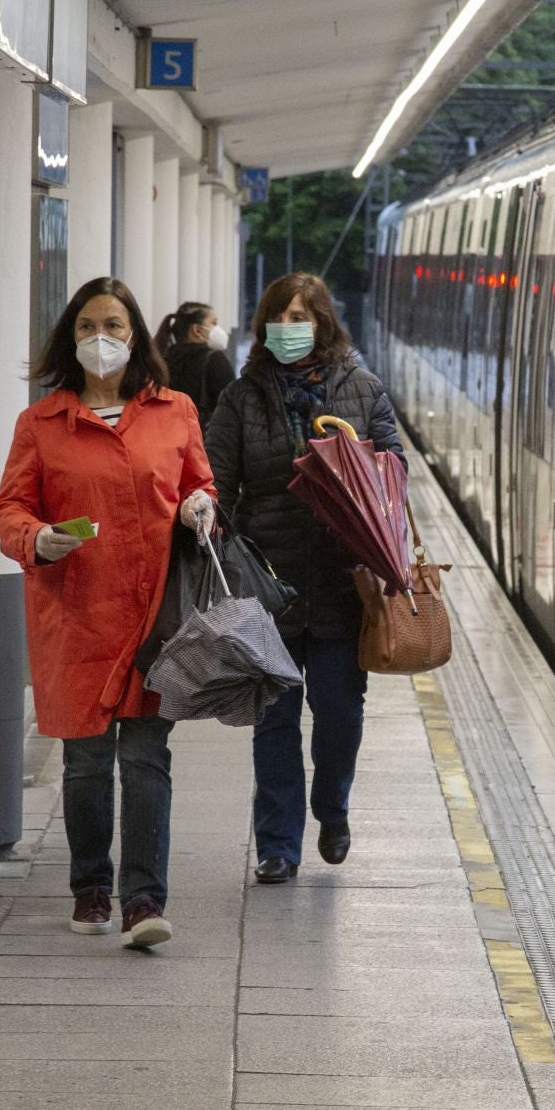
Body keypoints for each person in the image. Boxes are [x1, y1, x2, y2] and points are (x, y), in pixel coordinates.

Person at [0, 276, 217, 946]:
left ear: (136, 335)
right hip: (77, 616)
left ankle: (143, 902)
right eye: (88, 325)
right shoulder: (41, 423)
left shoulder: (174, 411)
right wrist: (36, 539)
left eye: (114, 325)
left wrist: (202, 509)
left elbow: (198, 484)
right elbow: (9, 507)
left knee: (148, 759)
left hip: (155, 619)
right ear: (71, 336)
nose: (102, 338)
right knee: (86, 763)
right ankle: (90, 886)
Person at [204, 272, 406, 884]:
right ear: (265, 325)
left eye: (302, 316)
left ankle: (332, 809)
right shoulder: (242, 399)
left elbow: (395, 472)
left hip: (346, 586)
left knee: (340, 712)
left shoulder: (364, 391)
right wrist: (210, 518)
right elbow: (216, 477)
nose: (290, 328)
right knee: (276, 719)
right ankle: (278, 845)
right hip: (270, 586)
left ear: (324, 323)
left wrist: (362, 469)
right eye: (280, 317)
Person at [153, 301, 235, 429]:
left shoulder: (163, 358)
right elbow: (232, 406)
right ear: (197, 330)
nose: (218, 329)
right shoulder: (214, 359)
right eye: (213, 323)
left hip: (167, 433)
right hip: (201, 438)